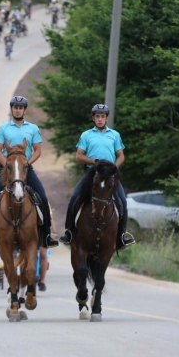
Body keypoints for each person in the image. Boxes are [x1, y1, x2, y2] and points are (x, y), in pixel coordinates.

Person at [0, 96, 58, 249]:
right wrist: (9, 166)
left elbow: (38, 151)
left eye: (21, 107)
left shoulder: (33, 128)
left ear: (24, 110)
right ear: (12, 109)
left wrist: (26, 164)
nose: (18, 109)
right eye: (15, 107)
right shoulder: (3, 128)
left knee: (42, 197)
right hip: (6, 170)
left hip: (25, 169)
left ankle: (47, 235)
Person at [59, 104, 136, 250]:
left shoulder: (114, 135)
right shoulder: (86, 135)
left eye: (102, 117)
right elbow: (79, 156)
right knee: (75, 198)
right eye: (97, 117)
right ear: (93, 118)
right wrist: (94, 162)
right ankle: (69, 232)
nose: (100, 119)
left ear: (106, 118)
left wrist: (114, 167)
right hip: (91, 173)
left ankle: (121, 236)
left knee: (122, 202)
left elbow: (121, 156)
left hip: (109, 174)